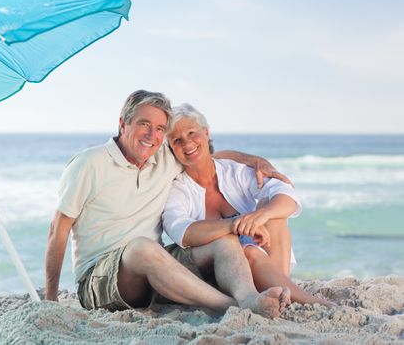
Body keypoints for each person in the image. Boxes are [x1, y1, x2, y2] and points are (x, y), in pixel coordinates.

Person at [45, 90, 292, 317]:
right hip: (100, 278)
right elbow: (58, 230)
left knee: (221, 239)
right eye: (144, 124)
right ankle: (233, 307)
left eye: (160, 128)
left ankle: (249, 297)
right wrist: (51, 298)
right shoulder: (89, 163)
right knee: (141, 248)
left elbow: (203, 155)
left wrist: (254, 160)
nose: (152, 136)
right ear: (123, 123)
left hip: (156, 267)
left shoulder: (162, 157)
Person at [162, 103, 335, 307]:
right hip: (225, 273)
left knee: (274, 215)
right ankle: (308, 300)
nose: (187, 143)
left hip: (267, 259)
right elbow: (181, 230)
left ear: (206, 132)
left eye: (192, 133)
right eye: (177, 140)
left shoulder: (233, 171)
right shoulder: (178, 188)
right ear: (171, 148)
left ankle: (281, 291)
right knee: (249, 251)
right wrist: (239, 224)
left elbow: (285, 191)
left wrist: (261, 215)